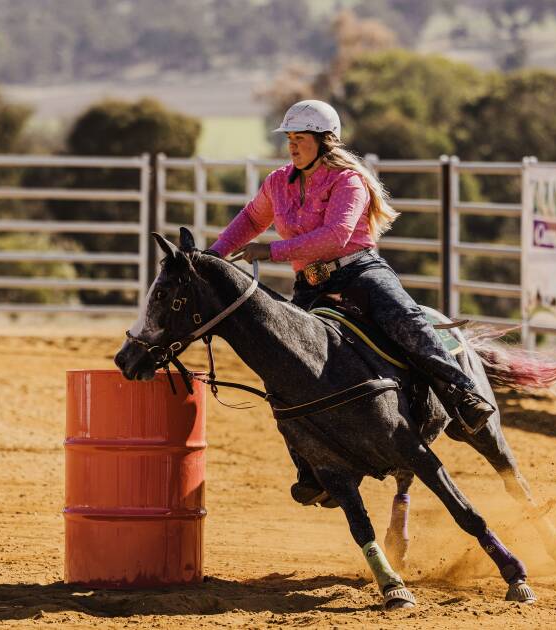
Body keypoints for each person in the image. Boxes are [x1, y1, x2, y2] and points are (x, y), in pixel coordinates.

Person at [207, 100, 495, 508]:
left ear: (324, 142)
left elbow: (338, 235)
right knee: (283, 369)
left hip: (359, 272)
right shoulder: (278, 182)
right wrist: (214, 256)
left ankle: (463, 395)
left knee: (406, 321)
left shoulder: (348, 181)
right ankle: (311, 466)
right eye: (289, 138)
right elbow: (252, 219)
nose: (292, 146)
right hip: (309, 284)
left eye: (300, 138)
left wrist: (270, 253)